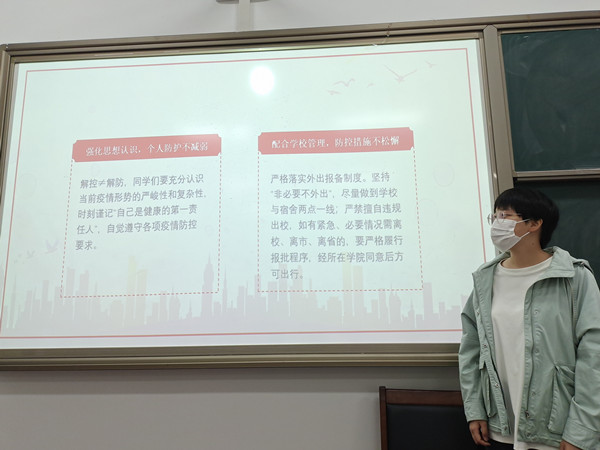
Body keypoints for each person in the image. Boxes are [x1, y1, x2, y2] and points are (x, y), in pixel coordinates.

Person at [458, 187, 600, 450]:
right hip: (499, 427)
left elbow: (594, 357)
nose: (496, 224)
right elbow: (471, 350)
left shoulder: (575, 277)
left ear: (535, 223)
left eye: (505, 216)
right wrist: (475, 408)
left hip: (556, 428)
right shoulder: (485, 279)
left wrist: (581, 430)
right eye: (494, 216)